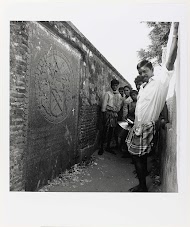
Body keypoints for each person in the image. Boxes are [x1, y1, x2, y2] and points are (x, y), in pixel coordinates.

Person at [126, 22, 179, 192]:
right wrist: (134, 124)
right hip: (139, 126)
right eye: (140, 72)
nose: (142, 74)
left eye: (145, 71)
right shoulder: (143, 87)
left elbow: (170, 62)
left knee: (137, 156)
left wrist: (175, 35)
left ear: (152, 69)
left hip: (147, 126)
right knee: (137, 156)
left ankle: (142, 186)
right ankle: (143, 176)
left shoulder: (161, 82)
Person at [98, 79, 122, 155]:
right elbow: (104, 105)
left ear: (118, 86)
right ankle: (101, 147)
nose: (115, 87)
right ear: (111, 86)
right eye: (113, 85)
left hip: (114, 114)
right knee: (105, 130)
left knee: (111, 131)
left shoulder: (119, 95)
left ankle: (108, 146)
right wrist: (103, 113)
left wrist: (116, 111)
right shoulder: (107, 94)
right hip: (108, 113)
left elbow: (119, 105)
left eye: (116, 85)